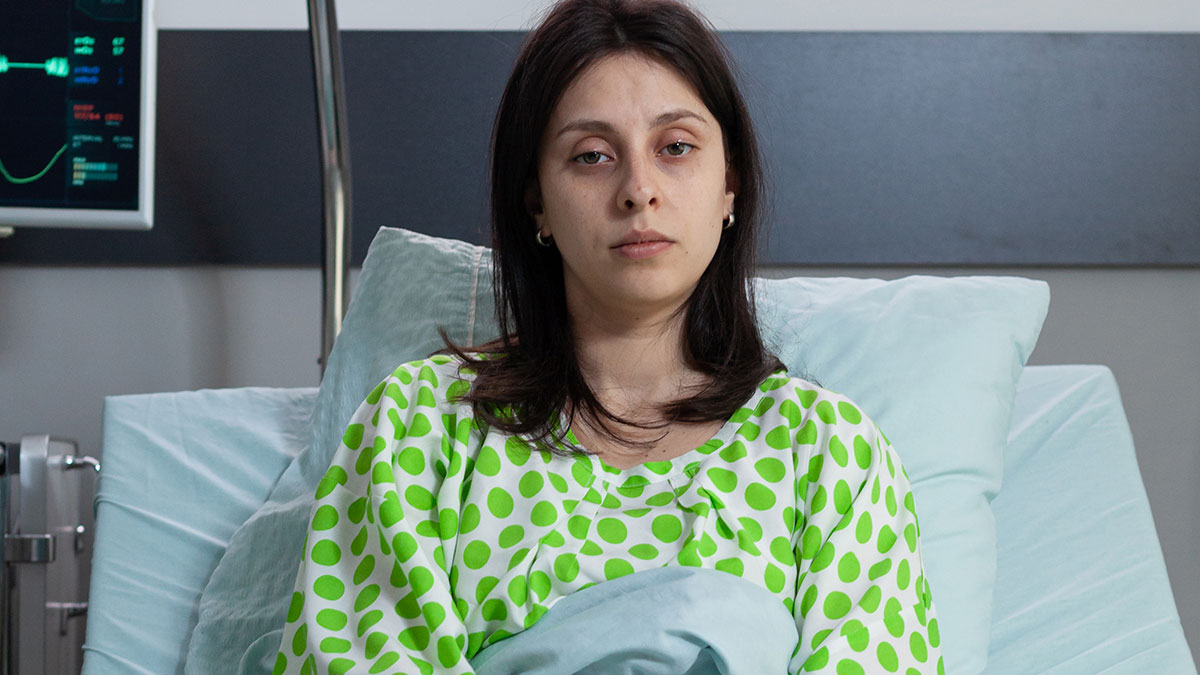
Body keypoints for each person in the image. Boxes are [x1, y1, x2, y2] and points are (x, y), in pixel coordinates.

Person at [274, 0, 942, 673]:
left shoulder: (830, 454)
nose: (638, 190)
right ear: (537, 200)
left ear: (730, 184)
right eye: (592, 155)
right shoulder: (418, 428)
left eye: (675, 147)